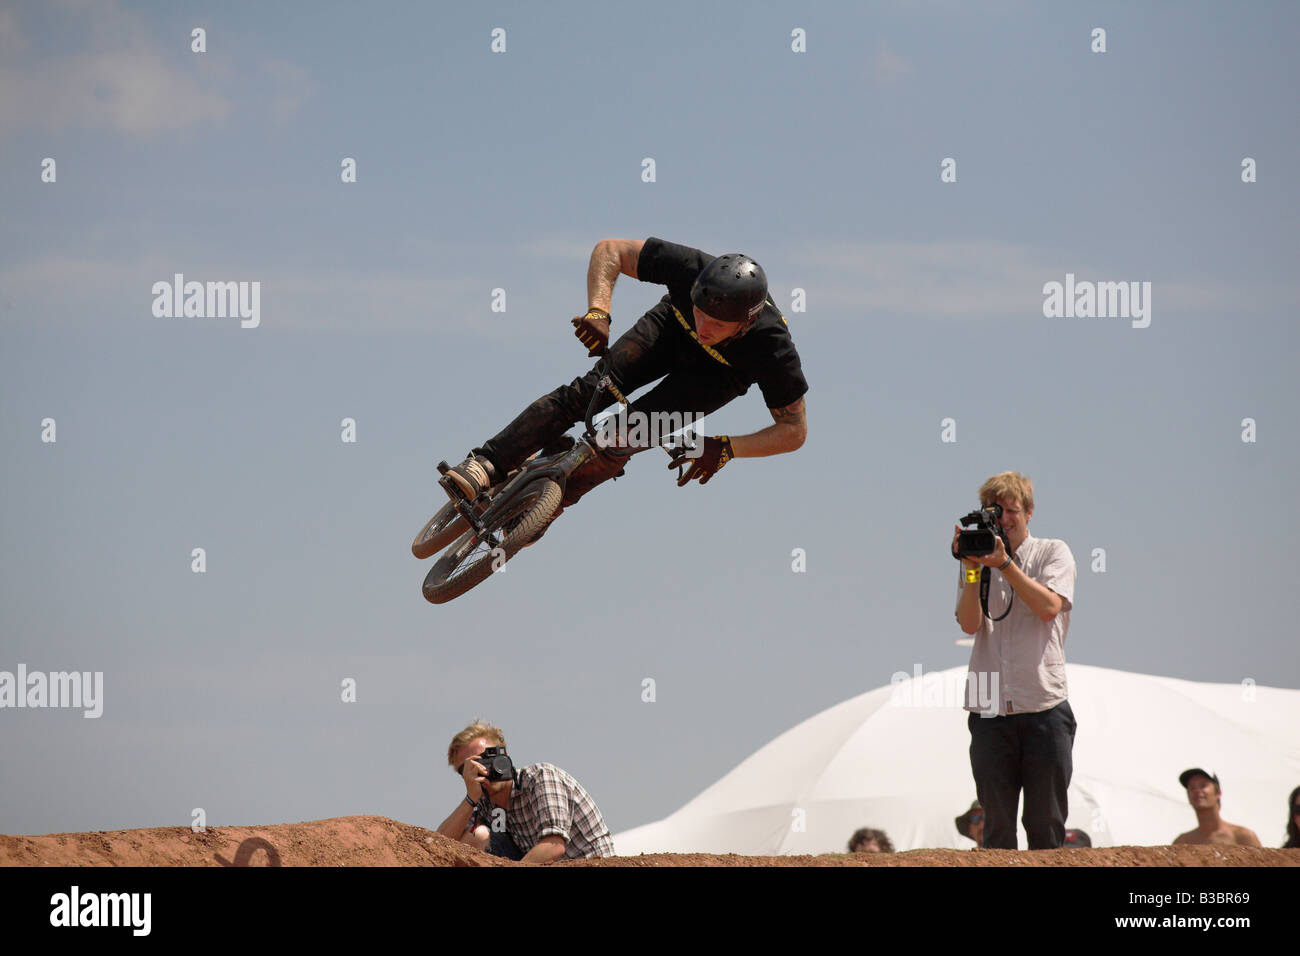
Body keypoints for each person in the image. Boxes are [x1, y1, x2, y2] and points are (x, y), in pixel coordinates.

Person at [440, 238, 808, 514]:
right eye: (700, 312)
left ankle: (543, 507)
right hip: (668, 331)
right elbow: (610, 250)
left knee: (623, 438)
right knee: (588, 393)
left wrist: (727, 448)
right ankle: (486, 463)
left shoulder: (773, 349)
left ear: (745, 325)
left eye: (716, 324)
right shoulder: (690, 267)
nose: (704, 327)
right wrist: (599, 311)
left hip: (717, 376)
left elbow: (793, 431)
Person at [952, 472, 1077, 850]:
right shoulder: (977, 561)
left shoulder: (1053, 552)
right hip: (989, 702)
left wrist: (1005, 564)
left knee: (1045, 823)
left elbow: (1048, 607)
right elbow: (970, 624)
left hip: (1042, 701)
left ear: (1029, 513)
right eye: (996, 511)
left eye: (1012, 511)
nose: (1004, 519)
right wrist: (973, 565)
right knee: (997, 828)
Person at [435, 721, 615, 862]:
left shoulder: (540, 778)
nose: (481, 770)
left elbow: (554, 846)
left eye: (485, 759)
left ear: (503, 756)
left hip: (586, 860)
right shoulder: (484, 803)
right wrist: (471, 798)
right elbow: (439, 844)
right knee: (476, 835)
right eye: (468, 768)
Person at [1171, 768, 1261, 847]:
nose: (1197, 791)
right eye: (1192, 788)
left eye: (1203, 785)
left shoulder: (1243, 837)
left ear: (1218, 792)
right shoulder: (1182, 842)